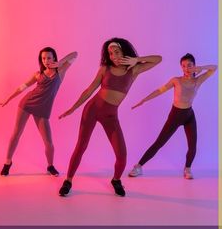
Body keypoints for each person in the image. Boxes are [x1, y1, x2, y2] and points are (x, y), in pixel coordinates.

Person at [58, 37, 162, 196]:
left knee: (122, 155)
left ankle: (116, 180)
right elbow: (89, 90)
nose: (113, 56)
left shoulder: (133, 70)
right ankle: (68, 180)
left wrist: (137, 60)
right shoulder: (104, 69)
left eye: (117, 52)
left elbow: (158, 59)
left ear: (124, 52)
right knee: (81, 146)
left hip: (111, 116)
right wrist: (73, 108)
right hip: (92, 110)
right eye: (111, 53)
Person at [129, 53, 217, 179]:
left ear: (194, 66)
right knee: (159, 143)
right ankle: (138, 166)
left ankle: (187, 169)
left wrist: (201, 68)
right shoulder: (176, 80)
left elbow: (215, 67)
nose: (186, 68)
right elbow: (160, 90)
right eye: (184, 66)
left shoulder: (198, 80)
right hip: (175, 115)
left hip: (189, 115)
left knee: (192, 145)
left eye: (190, 65)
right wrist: (144, 100)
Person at [0, 47, 78, 177]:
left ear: (54, 58)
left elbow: (75, 54)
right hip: (27, 104)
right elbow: (22, 87)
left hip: (43, 110)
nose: (46, 60)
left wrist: (60, 62)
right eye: (43, 58)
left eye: (49, 58)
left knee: (48, 143)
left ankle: (50, 166)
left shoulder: (61, 72)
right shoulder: (38, 74)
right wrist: (7, 99)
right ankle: (7, 163)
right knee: (16, 133)